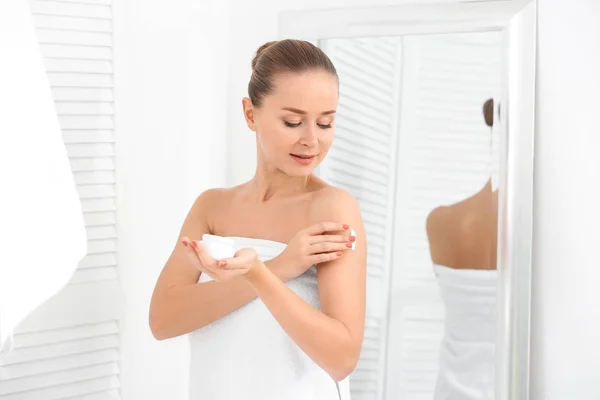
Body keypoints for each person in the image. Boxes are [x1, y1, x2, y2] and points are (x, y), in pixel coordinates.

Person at [149, 39, 367, 400]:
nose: (311, 140)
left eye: (325, 123)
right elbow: (163, 320)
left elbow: (342, 358)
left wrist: (259, 274)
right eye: (293, 121)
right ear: (250, 114)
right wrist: (281, 266)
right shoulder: (212, 207)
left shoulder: (332, 209)